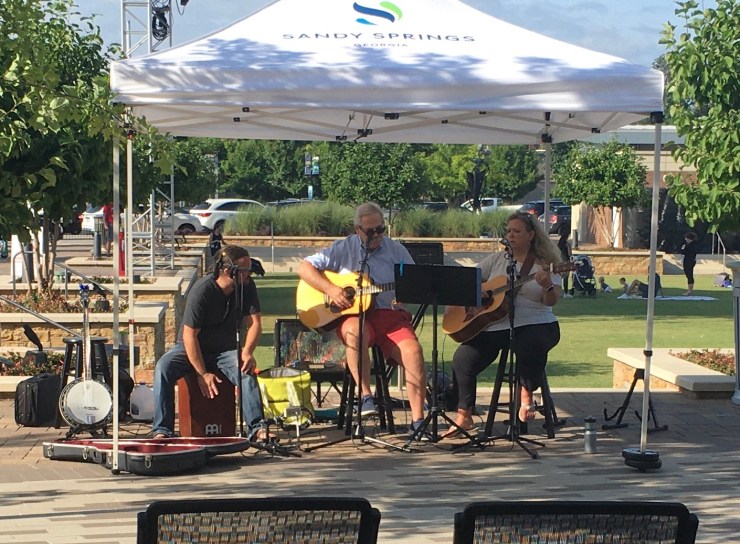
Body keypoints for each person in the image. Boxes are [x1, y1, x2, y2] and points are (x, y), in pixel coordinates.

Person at [296, 202, 428, 439]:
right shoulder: (342, 248)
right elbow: (304, 268)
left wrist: (406, 296)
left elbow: (416, 283)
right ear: (357, 229)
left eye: (381, 229)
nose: (377, 236)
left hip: (389, 316)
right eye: (371, 231)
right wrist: (332, 289)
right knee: (356, 331)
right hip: (354, 317)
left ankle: (418, 420)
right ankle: (366, 397)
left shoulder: (396, 250)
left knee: (413, 351)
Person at [444, 212, 562, 437]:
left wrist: (547, 286)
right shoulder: (498, 260)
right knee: (462, 359)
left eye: (517, 231)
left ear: (531, 235)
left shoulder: (546, 264)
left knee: (529, 343)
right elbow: (470, 279)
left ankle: (526, 394)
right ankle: (464, 416)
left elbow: (551, 301)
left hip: (537, 321)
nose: (511, 235)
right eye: (509, 231)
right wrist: (470, 296)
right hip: (496, 323)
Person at [151, 245, 267, 440]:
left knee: (245, 371)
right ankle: (162, 430)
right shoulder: (202, 290)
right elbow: (190, 336)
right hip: (191, 348)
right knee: (163, 367)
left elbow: (255, 323)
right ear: (228, 271)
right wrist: (202, 373)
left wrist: (247, 351)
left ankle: (257, 428)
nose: (249, 274)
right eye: (245, 270)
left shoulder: (247, 286)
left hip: (225, 350)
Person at [557, 225, 573, 298]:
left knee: (559, 277)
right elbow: (569, 253)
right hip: (566, 261)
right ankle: (566, 293)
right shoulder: (567, 244)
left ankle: (557, 292)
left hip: (560, 261)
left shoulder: (559, 244)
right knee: (566, 277)